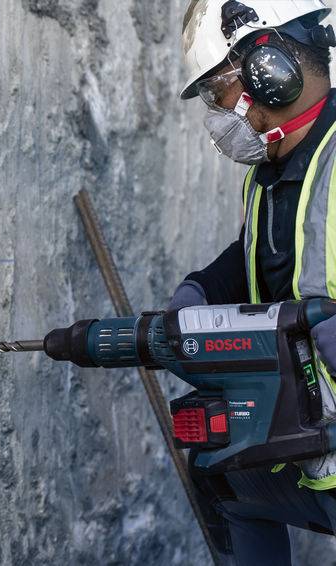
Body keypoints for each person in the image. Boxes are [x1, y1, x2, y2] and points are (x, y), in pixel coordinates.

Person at [173, 1, 336, 563]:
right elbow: (259, 252)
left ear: (272, 68)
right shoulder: (272, 177)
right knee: (222, 478)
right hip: (320, 443)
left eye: (218, 90)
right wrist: (199, 292)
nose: (218, 113)